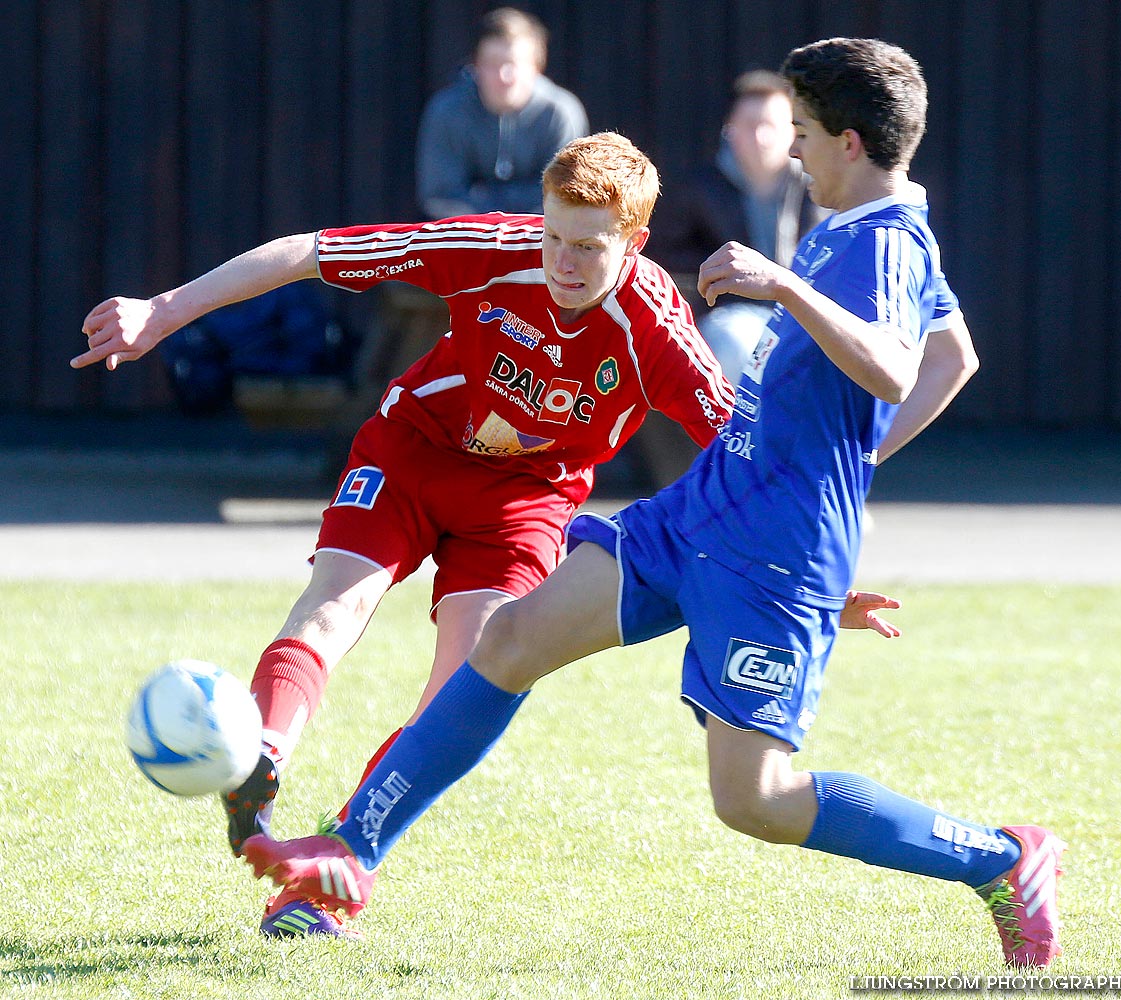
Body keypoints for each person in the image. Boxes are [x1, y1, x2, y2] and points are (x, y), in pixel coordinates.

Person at [242, 38, 1065, 969]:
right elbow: (957, 357)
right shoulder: (871, 220)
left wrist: (783, 291)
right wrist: (841, 459)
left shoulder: (881, 240)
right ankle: (344, 859)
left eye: (799, 133)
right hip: (703, 508)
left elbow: (896, 365)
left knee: (752, 800)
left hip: (773, 551)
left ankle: (1003, 858)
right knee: (508, 642)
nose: (789, 151)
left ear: (847, 140)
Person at [75, 131, 744, 936]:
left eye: (588, 248)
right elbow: (305, 254)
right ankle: (263, 758)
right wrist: (164, 310)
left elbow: (749, 462)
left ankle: (327, 872)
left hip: (524, 503)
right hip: (412, 453)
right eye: (552, 235)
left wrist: (813, 580)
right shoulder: (492, 247)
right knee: (331, 607)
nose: (562, 262)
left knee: (462, 691)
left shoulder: (657, 331)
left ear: (634, 244)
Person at [654, 69, 826, 378]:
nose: (761, 138)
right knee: (734, 344)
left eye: (771, 125)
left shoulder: (819, 188)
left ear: (793, 131)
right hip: (729, 315)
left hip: (805, 315)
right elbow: (667, 261)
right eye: (750, 126)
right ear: (729, 129)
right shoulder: (698, 189)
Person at [415, 7, 589, 219]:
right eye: (492, 64)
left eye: (514, 64)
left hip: (541, 239)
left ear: (537, 66)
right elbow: (440, 195)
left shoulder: (560, 113)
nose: (504, 76)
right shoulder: (446, 111)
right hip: (469, 238)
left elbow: (565, 194)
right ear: (475, 66)